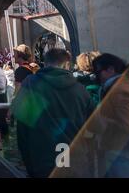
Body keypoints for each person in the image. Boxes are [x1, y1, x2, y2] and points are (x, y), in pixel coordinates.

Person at [12, 48, 95, 178]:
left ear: (45, 63)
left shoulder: (32, 84)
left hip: (42, 157)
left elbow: (22, 127)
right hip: (75, 159)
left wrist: (27, 160)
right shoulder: (81, 90)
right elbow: (92, 127)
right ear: (67, 64)